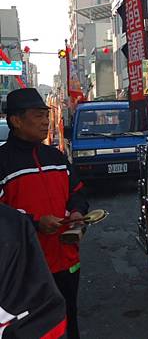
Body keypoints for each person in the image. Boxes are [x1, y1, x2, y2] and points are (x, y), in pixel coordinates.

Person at [0, 88, 88, 339]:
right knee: (34, 327)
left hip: (67, 258)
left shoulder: (56, 156)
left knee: (70, 316)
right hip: (27, 268)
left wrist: (76, 212)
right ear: (16, 120)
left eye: (45, 115)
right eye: (38, 115)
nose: (45, 121)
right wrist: (35, 223)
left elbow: (78, 192)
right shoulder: (3, 162)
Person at [0, 204, 67, 338]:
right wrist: (35, 222)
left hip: (62, 259)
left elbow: (75, 192)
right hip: (26, 258)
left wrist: (78, 211)